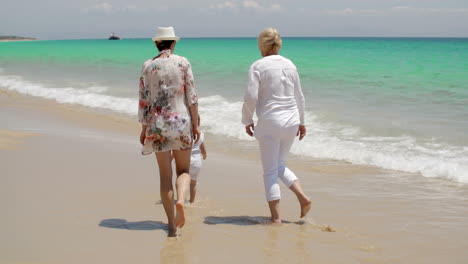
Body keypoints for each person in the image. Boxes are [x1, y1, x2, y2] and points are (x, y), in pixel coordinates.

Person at [241, 28, 312, 223]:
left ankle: (276, 219)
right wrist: (302, 122)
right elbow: (300, 97)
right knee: (279, 165)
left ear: (261, 45)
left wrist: (247, 120)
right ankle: (303, 198)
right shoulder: (290, 65)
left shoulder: (257, 66)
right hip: (291, 120)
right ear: (278, 44)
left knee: (270, 171)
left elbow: (250, 97)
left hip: (271, 121)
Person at [138, 26, 200, 237]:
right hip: (181, 121)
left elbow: (144, 101)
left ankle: (172, 227)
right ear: (173, 43)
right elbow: (192, 96)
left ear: (157, 43)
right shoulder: (183, 62)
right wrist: (196, 124)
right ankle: (181, 201)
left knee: (165, 176)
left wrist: (143, 128)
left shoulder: (147, 66)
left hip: (157, 125)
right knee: (183, 170)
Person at [189, 116, 207, 203]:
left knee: (182, 180)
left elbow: (179, 149)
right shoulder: (201, 135)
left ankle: (181, 199)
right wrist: (204, 155)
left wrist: (171, 159)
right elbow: (203, 149)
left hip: (185, 161)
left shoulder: (185, 135)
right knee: (193, 183)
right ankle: (192, 201)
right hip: (197, 163)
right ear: (198, 123)